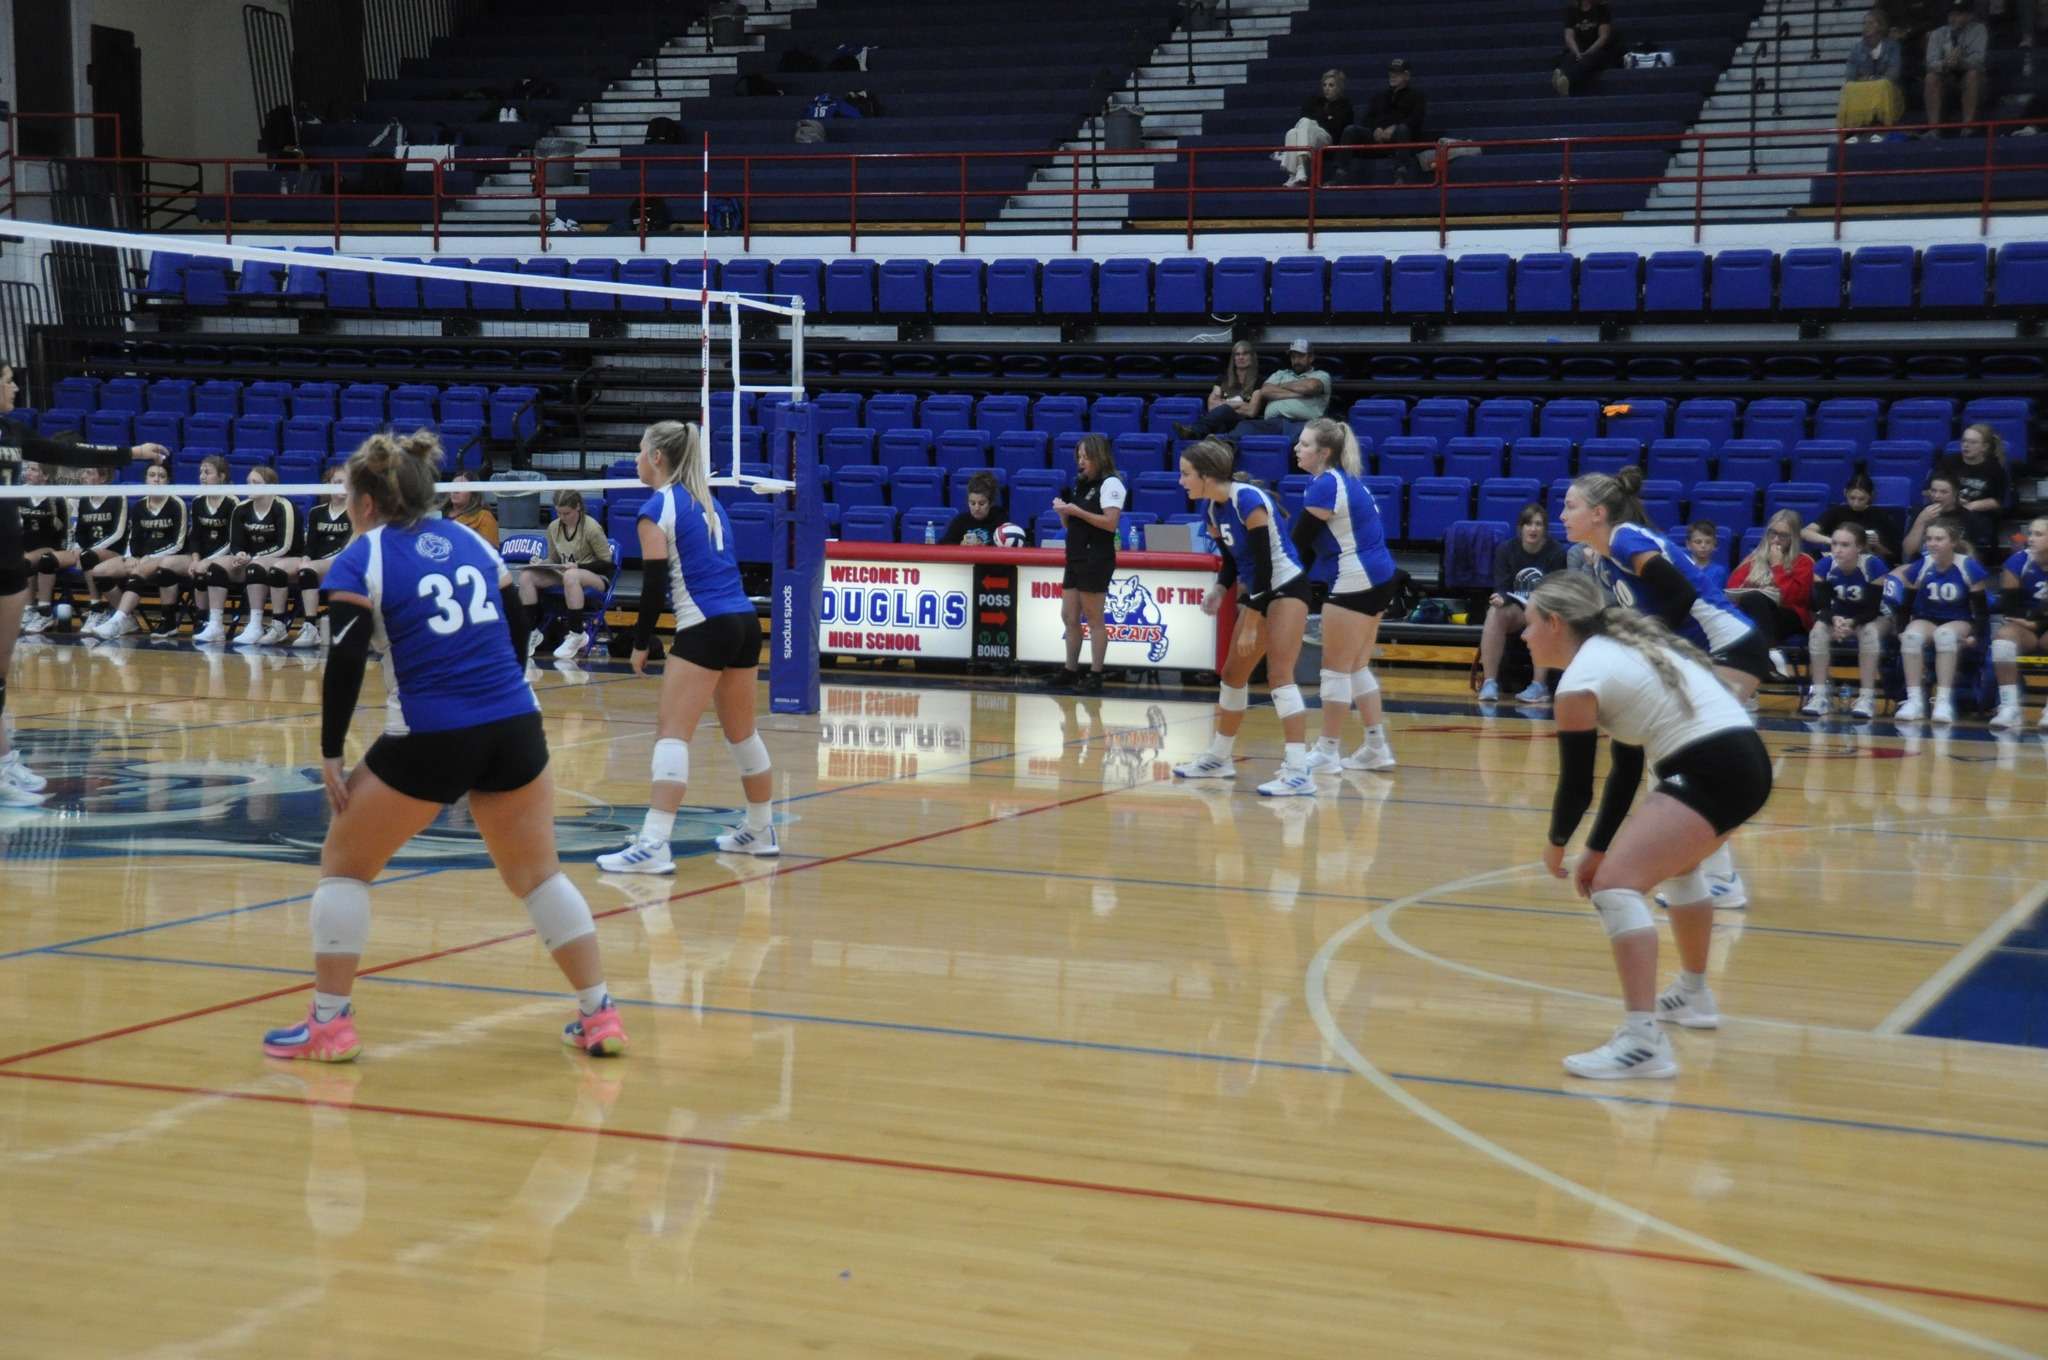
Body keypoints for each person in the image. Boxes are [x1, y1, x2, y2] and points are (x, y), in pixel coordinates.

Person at [258, 431, 626, 1063]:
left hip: (431, 733)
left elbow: (343, 661)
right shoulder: (474, 544)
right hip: (516, 724)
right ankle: (600, 1015)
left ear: (368, 503)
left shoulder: (362, 557)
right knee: (540, 877)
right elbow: (517, 630)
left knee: (344, 866)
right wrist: (501, 696)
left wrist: (328, 753)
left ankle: (329, 1023)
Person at [1527, 571, 1773, 1080]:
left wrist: (1556, 846)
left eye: (1529, 624)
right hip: (1743, 760)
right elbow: (1625, 769)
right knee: (1679, 872)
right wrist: (1594, 849)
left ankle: (1643, 1042)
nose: (1523, 635)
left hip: (1712, 767)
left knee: (1617, 889)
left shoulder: (1578, 682)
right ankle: (1693, 995)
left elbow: (1577, 785)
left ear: (1554, 623)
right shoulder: (1619, 650)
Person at [1561, 468, 1770, 907]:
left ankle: (1716, 878)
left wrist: (1648, 648)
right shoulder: (1601, 557)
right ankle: (1702, 872)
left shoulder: (1623, 540)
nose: (1562, 514)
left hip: (1726, 646)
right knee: (1674, 762)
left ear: (1598, 513)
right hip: (1706, 654)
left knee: (1691, 761)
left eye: (1570, 506)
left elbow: (1678, 596)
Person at [597, 421, 778, 872]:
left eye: (640, 450)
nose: (636, 459)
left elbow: (655, 583)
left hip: (705, 625)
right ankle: (760, 828)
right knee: (743, 734)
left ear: (657, 457)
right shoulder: (709, 503)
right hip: (743, 623)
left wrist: (641, 642)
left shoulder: (656, 508)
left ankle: (655, 845)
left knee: (672, 734)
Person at [0, 359, 165, 802]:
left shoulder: (14, 432)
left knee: (0, 674)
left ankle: (3, 766)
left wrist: (131, 453)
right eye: (8, 380)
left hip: (9, 557)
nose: (15, 388)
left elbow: (71, 453)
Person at [1172, 439, 1316, 796]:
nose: (1181, 481)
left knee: (1280, 674)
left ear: (1206, 475)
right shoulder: (1213, 509)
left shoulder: (1247, 500)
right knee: (1233, 674)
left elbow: (1266, 568)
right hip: (1258, 593)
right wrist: (1220, 590)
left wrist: (1252, 620)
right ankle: (1219, 758)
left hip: (1287, 589)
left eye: (1186, 474)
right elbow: (1235, 562)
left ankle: (1299, 771)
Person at [1291, 418, 1400, 772]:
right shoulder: (1344, 481)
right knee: (1355, 667)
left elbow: (1300, 543)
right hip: (1380, 576)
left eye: (1305, 444)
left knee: (1335, 670)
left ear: (1324, 452)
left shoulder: (1324, 485)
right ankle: (1376, 747)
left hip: (1356, 577)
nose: (1297, 448)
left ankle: (1327, 751)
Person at [1886, 514, 1989, 722]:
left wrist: (1976, 635)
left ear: (1953, 542)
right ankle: (1914, 700)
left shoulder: (1968, 566)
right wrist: (1900, 630)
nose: (1932, 543)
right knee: (1910, 637)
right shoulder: (1921, 566)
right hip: (1927, 618)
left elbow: (1980, 610)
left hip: (1959, 620)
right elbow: (1906, 605)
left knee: (1945, 635)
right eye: (1929, 539)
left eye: (1939, 539)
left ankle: (1943, 701)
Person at [1049, 435, 1125, 692]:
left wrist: (1076, 511)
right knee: (1068, 615)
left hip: (1096, 557)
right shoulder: (1081, 484)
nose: (1081, 462)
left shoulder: (1111, 483)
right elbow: (1073, 525)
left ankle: (1095, 674)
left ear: (1099, 456)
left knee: (1094, 618)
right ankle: (1070, 669)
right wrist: (1064, 514)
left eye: (1085, 457)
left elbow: (1110, 522)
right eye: (1078, 457)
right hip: (1075, 554)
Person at [88, 461, 189, 640]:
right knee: (99, 571)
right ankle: (128, 619)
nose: (156, 480)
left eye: (161, 476)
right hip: (141, 557)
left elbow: (178, 543)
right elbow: (133, 536)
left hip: (167, 557)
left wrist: (149, 557)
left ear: (168, 481)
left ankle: (117, 620)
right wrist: (129, 557)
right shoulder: (140, 505)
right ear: (145, 479)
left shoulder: (176, 503)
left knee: (140, 570)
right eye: (152, 475)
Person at [1478, 502, 1569, 702]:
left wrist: (1537, 605)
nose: (1533, 528)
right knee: (1494, 613)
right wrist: (1500, 597)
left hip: (1544, 610)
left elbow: (1555, 592)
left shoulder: (1557, 552)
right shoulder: (1506, 549)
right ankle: (1489, 682)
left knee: (1545, 615)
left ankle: (1539, 685)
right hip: (1517, 610)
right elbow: (1502, 585)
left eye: (1538, 524)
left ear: (1545, 529)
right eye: (1528, 524)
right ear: (1521, 528)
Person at [1802, 523, 1892, 718]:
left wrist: (1851, 623)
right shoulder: (1824, 566)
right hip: (1839, 616)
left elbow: (1872, 610)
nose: (1837, 549)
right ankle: (1819, 695)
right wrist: (1835, 619)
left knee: (1869, 632)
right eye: (1834, 544)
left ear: (1859, 547)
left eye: (1844, 545)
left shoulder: (1873, 566)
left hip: (1873, 616)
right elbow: (1822, 606)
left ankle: (1867, 697)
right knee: (1817, 631)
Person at [514, 488, 614, 661]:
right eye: (559, 513)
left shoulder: (591, 527)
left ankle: (577, 633)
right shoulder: (554, 527)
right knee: (526, 575)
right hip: (566, 574)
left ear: (578, 508)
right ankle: (532, 632)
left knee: (571, 575)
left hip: (595, 577)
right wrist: (541, 563)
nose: (562, 517)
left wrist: (578, 565)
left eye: (566, 513)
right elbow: (553, 558)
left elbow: (607, 565)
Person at [1175, 339, 1332, 441]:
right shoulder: (1281, 374)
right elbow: (1265, 390)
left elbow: (1311, 387)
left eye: (1300, 356)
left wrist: (1280, 388)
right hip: (1272, 423)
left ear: (1311, 358)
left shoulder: (1321, 375)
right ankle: (1219, 450)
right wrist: (1299, 392)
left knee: (1304, 440)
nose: (1295, 360)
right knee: (1242, 429)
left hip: (1304, 423)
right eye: (1293, 356)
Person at [280, 466, 357, 648]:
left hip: (342, 562)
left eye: (346, 483)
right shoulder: (317, 512)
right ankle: (279, 624)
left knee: (308, 571)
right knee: (280, 571)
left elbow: (350, 547)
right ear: (327, 485)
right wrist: (306, 557)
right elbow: (311, 543)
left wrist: (314, 563)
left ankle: (310, 625)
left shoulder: (356, 512)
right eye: (337, 482)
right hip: (317, 563)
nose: (341, 487)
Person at [1724, 509, 1815, 662]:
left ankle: (1766, 655)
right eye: (1772, 533)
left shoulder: (1804, 562)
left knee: (1754, 601)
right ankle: (1769, 655)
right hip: (1755, 614)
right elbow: (1732, 591)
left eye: (1783, 535)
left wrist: (1778, 566)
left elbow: (1797, 599)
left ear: (1794, 538)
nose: (1776, 540)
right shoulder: (1752, 560)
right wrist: (1748, 587)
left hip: (1787, 615)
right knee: (1751, 600)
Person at [228, 466, 302, 646]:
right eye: (248, 482)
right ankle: (213, 623)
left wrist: (253, 557)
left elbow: (285, 545)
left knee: (255, 568)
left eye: (256, 482)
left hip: (288, 557)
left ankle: (266, 624)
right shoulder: (241, 508)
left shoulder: (284, 506)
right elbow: (236, 542)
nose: (250, 486)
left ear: (270, 486)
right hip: (255, 558)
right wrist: (240, 554)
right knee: (216, 569)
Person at [1990, 516, 2048, 728]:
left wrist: (2038, 624)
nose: (2031, 539)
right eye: (2030, 533)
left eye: (2039, 534)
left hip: (2037, 624)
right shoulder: (2017, 562)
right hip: (2026, 625)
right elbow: (2011, 608)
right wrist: (2033, 624)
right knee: (2003, 640)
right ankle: (2009, 707)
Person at [1335, 58, 1428, 184]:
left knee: (1403, 129)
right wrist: (1376, 129)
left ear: (1406, 75)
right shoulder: (1380, 96)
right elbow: (1367, 118)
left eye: (1397, 73)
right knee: (1350, 130)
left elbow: (1416, 118)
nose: (1392, 76)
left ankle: (1401, 173)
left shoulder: (1417, 96)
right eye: (1391, 72)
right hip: (1377, 138)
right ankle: (1341, 173)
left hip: (1400, 139)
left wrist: (1395, 127)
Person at [183, 455, 243, 644]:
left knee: (205, 569)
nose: (202, 476)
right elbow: (195, 536)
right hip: (202, 555)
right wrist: (195, 558)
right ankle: (201, 618)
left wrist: (208, 560)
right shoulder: (199, 501)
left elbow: (233, 539)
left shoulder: (233, 502)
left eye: (207, 472)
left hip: (226, 554)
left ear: (222, 476)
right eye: (201, 472)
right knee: (179, 569)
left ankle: (212, 622)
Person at [71, 468, 131, 633]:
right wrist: (77, 547)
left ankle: (96, 608)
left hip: (115, 551)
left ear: (103, 477)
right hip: (89, 552)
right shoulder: (84, 500)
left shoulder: (117, 497)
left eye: (90, 473)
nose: (83, 476)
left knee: (87, 556)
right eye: (84, 472)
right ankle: (41, 610)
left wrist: (89, 550)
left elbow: (118, 533)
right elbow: (80, 531)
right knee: (51, 560)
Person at [16, 463, 72, 636]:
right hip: (25, 546)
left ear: (45, 476)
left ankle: (43, 611)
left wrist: (62, 552)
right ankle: (29, 609)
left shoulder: (56, 498)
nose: (28, 473)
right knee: (20, 560)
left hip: (50, 547)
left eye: (33, 470)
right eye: (27, 469)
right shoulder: (19, 494)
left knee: (27, 561)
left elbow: (63, 531)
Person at [1940, 422, 2010, 557]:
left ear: (1984, 447)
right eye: (1964, 441)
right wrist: (1952, 501)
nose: (1966, 445)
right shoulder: (1949, 462)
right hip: (1948, 507)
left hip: (1979, 514)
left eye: (1972, 442)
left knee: (1966, 518)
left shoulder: (1995, 469)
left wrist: (1972, 505)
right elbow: (1928, 489)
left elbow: (1999, 501)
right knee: (1919, 512)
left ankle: (1964, 559)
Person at [1801, 471, 1899, 561]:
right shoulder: (1837, 512)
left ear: (1871, 496)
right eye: (1852, 498)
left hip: (1869, 561)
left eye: (1861, 499)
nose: (1856, 503)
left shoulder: (1881, 516)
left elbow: (1893, 555)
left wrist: (1876, 545)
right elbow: (1805, 532)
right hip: (1839, 560)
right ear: (1845, 493)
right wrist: (1835, 541)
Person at [1923, 0, 1988, 133]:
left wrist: (1961, 62)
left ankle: (1967, 128)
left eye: (1958, 14)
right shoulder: (1937, 34)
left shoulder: (1979, 30)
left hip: (1971, 77)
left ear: (1969, 16)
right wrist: (1945, 63)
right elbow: (1930, 63)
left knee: (1972, 74)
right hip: (1946, 77)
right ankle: (1933, 130)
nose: (1953, 18)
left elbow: (1978, 61)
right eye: (1951, 14)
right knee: (1930, 77)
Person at [1280, 69, 1352, 187]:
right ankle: (1295, 174)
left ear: (1339, 87)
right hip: (1311, 136)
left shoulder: (1345, 105)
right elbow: (1304, 117)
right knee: (1292, 132)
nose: (1327, 88)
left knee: (1307, 122)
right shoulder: (1315, 101)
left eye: (1331, 85)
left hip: (1328, 140)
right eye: (1324, 85)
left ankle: (1300, 169)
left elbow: (1337, 128)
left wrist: (1318, 121)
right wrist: (1325, 119)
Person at [1840, 9, 1907, 137]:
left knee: (1882, 86)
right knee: (1849, 88)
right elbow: (1850, 76)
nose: (1866, 26)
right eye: (1865, 23)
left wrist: (1870, 79)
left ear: (1881, 26)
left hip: (1889, 92)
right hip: (1864, 92)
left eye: (1871, 23)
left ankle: (1881, 129)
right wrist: (1871, 82)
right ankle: (1854, 132)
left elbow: (1893, 74)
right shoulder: (1856, 49)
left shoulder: (1893, 46)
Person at [1556, 0, 1621, 95]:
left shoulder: (1602, 9)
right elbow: (1569, 36)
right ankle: (1562, 77)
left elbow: (1603, 36)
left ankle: (1566, 79)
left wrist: (1588, 52)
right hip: (1579, 49)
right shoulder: (1571, 11)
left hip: (1597, 49)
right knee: (1569, 57)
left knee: (1588, 60)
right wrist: (1577, 52)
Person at [1902, 470, 1968, 559]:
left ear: (1955, 494)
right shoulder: (1920, 512)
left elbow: (1969, 553)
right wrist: (1921, 520)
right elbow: (1908, 551)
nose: (1936, 496)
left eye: (1943, 492)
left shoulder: (1968, 517)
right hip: (1921, 564)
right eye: (1933, 491)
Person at [941, 470, 1006, 546]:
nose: (976, 508)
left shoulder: (1001, 520)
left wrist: (983, 546)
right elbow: (944, 543)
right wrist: (960, 545)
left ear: (991, 503)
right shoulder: (961, 521)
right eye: (972, 503)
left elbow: (1006, 545)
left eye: (981, 504)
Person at [1205, 342, 1263, 422]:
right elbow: (1211, 407)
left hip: (1243, 422)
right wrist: (1241, 404)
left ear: (1252, 357)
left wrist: (1224, 404)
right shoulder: (1223, 378)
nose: (1241, 357)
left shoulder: (1258, 381)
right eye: (1237, 354)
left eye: (1245, 354)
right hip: (1221, 420)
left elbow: (1251, 412)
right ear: (1233, 358)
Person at [446, 472, 499, 547]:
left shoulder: (483, 517)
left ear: (473, 493)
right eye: (453, 486)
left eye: (461, 487)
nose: (455, 491)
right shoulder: (437, 514)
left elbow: (489, 552)